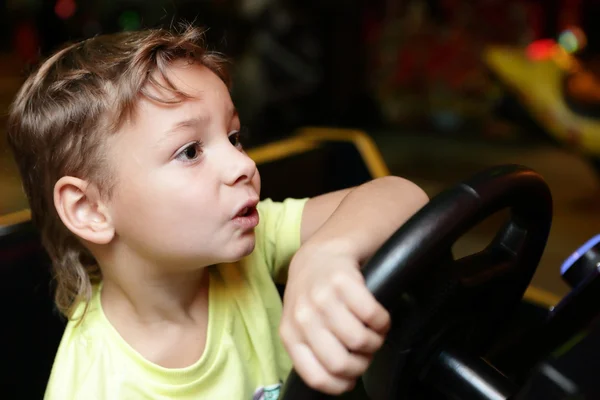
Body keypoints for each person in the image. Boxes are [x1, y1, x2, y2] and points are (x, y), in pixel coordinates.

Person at [6, 25, 429, 399]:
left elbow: (402, 195)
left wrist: (325, 254)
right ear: (91, 209)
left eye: (234, 136)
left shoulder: (250, 248)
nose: (243, 165)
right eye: (190, 151)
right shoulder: (94, 387)